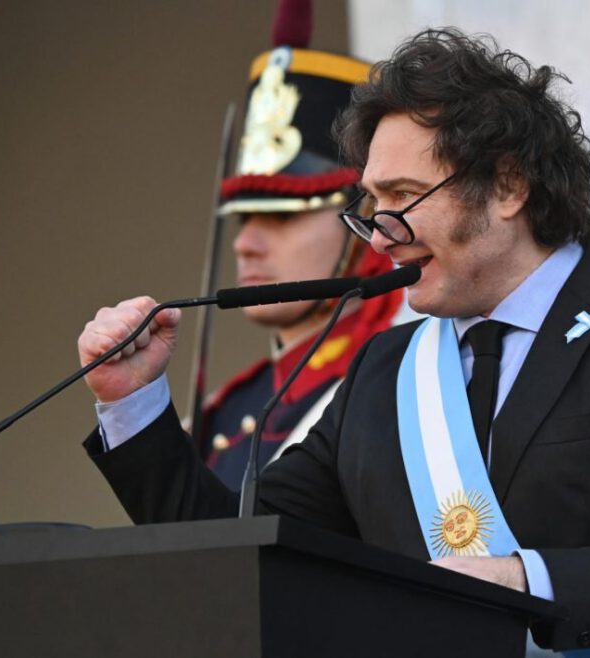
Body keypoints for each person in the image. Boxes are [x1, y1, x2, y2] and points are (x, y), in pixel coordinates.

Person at [79, 29, 590, 656]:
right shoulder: (387, 369)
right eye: (372, 205)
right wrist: (133, 405)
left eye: (404, 196)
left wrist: (522, 581)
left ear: (507, 185)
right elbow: (234, 556)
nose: (380, 233)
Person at [87, 3, 404, 493]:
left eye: (282, 216)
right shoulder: (227, 410)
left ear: (365, 219)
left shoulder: (406, 379)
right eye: (244, 218)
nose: (245, 243)